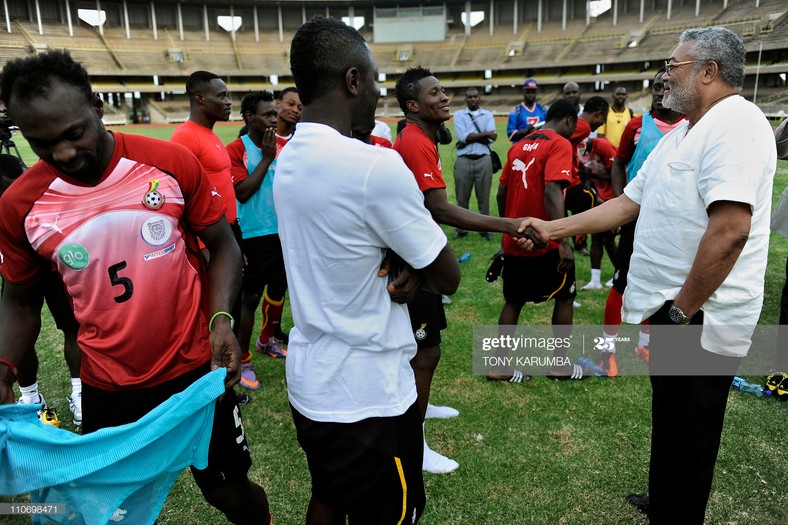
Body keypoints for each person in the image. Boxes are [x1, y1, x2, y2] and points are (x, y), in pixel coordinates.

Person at [0, 50, 271, 524]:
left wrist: (222, 320)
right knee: (114, 513)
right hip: (110, 386)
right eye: (43, 145)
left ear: (97, 107)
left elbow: (223, 245)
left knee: (231, 494)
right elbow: (20, 300)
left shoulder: (166, 162)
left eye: (74, 134)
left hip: (195, 373)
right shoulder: (20, 204)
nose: (63, 154)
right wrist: (3, 369)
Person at [518, 27, 776, 524]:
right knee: (672, 420)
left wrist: (678, 313)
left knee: (692, 431)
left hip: (698, 317)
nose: (663, 76)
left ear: (708, 72)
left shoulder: (737, 123)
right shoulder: (683, 130)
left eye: (673, 66)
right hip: (672, 312)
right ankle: (665, 500)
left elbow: (730, 231)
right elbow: (625, 204)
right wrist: (552, 228)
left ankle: (677, 512)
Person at [276, 17, 461, 524]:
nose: (381, 92)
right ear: (354, 81)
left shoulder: (290, 157)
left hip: (312, 379)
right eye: (376, 79)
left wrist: (399, 257)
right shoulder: (372, 166)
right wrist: (413, 262)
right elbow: (447, 275)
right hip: (369, 393)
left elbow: (345, 241)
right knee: (394, 514)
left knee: (329, 497)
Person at [393, 66, 530, 474]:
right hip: (415, 257)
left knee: (423, 348)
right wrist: (507, 223)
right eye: (435, 93)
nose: (444, 97)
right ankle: (413, 444)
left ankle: (422, 405)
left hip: (418, 252)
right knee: (424, 350)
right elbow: (438, 207)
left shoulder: (422, 137)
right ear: (414, 105)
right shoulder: (415, 142)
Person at [170, 71, 261, 390]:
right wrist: (206, 248)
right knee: (216, 311)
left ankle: (227, 375)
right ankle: (214, 380)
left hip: (227, 233)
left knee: (231, 306)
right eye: (221, 96)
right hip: (207, 239)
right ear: (199, 99)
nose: (228, 102)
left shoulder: (209, 135)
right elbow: (178, 197)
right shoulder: (185, 138)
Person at [598, 69, 685, 377]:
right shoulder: (636, 125)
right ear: (651, 91)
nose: (662, 91)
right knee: (623, 280)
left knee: (662, 284)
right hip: (638, 219)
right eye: (657, 87)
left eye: (667, 86)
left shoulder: (691, 125)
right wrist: (622, 199)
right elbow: (619, 162)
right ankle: (606, 351)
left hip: (673, 220)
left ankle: (645, 344)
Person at [496, 99, 580, 379]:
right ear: (568, 120)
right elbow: (551, 192)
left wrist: (508, 231)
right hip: (547, 240)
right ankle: (559, 365)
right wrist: (564, 240)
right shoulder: (559, 144)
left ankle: (499, 366)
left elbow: (501, 193)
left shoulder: (518, 145)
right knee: (565, 298)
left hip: (517, 237)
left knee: (513, 301)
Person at [0, 153, 83, 425]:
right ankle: (31, 398)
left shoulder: (32, 186)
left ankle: (79, 390)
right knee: (20, 334)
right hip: (19, 271)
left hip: (53, 264)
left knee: (73, 327)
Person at [226, 92, 288, 378]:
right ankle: (244, 360)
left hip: (284, 232)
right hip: (253, 235)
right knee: (249, 298)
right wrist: (265, 159)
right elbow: (242, 192)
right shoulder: (236, 149)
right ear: (250, 117)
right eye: (267, 115)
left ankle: (267, 340)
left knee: (278, 291)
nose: (274, 119)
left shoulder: (285, 146)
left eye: (275, 114)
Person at [453, 87, 497, 240]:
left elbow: (493, 138)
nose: (472, 99)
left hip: (483, 159)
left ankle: (485, 229)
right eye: (469, 96)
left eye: (475, 96)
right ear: (466, 99)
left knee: (483, 198)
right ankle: (461, 229)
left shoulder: (488, 115)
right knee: (462, 197)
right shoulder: (459, 115)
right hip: (463, 160)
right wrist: (485, 134)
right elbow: (463, 136)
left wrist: (471, 137)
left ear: (479, 98)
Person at [577, 137, 618, 291]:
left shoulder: (603, 146)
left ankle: (619, 274)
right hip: (597, 196)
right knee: (596, 237)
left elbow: (616, 172)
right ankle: (595, 280)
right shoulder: (577, 147)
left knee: (608, 239)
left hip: (611, 197)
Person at [507, 78, 547, 142]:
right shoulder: (516, 111)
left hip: (540, 148)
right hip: (521, 149)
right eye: (528, 92)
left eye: (533, 92)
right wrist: (526, 131)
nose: (530, 94)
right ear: (523, 92)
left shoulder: (544, 109)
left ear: (536, 93)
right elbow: (510, 134)